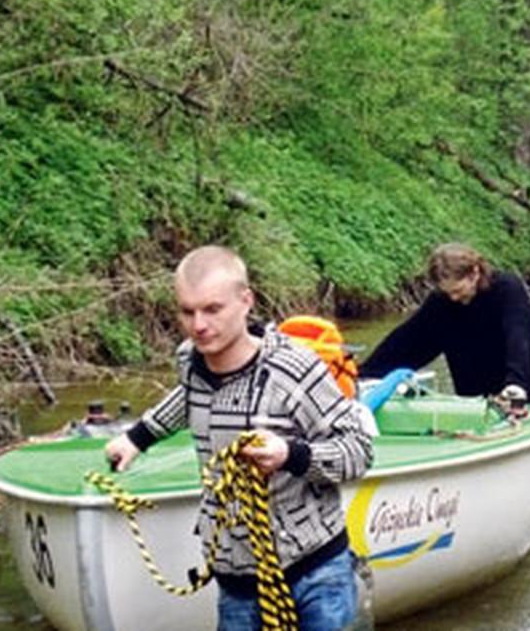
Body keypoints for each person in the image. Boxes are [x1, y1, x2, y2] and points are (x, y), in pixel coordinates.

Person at [104, 245, 373, 631]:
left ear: (245, 301)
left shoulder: (294, 370)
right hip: (237, 581)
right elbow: (188, 397)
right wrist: (137, 438)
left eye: (212, 309)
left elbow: (359, 451)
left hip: (316, 573)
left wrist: (290, 455)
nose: (198, 325)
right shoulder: (189, 363)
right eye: (187, 311)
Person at [359, 243, 530, 408]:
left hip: (528, 396)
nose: (453, 298)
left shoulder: (507, 290)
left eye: (458, 290)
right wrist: (363, 374)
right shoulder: (442, 303)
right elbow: (407, 341)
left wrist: (516, 383)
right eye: (447, 293)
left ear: (474, 273)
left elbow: (519, 337)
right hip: (475, 403)